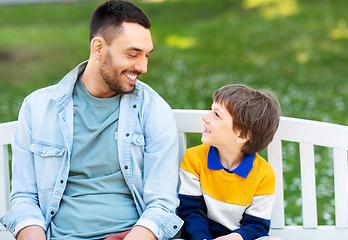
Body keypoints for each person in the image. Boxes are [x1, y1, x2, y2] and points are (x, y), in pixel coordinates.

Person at [0, 1, 183, 240]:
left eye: (146, 55)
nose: (143, 66)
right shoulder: (37, 108)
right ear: (98, 48)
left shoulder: (153, 110)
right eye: (132, 54)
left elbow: (162, 205)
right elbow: (25, 199)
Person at [178, 84, 283, 240]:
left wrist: (234, 238)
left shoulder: (264, 175)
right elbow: (190, 211)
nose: (205, 118)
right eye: (210, 110)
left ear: (242, 135)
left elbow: (257, 225)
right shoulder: (194, 158)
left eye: (216, 115)